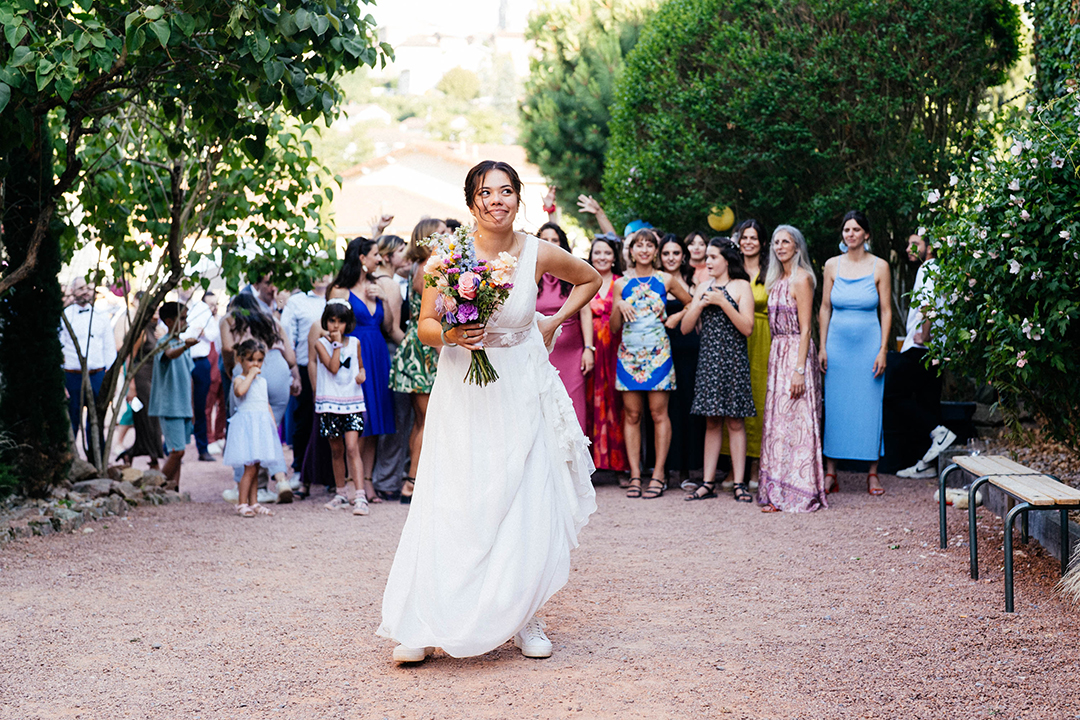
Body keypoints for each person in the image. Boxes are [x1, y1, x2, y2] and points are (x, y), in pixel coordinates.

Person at [379, 160, 601, 663]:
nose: (496, 201)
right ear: (471, 201)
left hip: (521, 385)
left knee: (524, 497)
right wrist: (454, 333)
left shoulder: (537, 251)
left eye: (505, 191)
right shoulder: (448, 255)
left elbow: (589, 279)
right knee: (454, 496)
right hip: (464, 386)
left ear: (518, 198)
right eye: (485, 192)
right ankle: (424, 620)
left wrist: (553, 322)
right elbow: (426, 326)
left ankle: (524, 617)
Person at [611, 229, 693, 499]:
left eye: (649, 245)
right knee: (632, 416)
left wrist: (676, 317)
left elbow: (691, 303)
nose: (644, 250)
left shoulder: (665, 279)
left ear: (655, 251)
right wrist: (618, 305)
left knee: (659, 414)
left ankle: (658, 474)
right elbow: (614, 328)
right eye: (639, 245)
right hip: (629, 355)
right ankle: (636, 475)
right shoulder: (620, 284)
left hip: (658, 354)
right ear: (631, 251)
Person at [819, 210, 892, 495]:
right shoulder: (831, 265)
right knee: (835, 407)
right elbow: (825, 308)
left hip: (868, 347)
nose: (850, 234)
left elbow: (886, 311)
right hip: (837, 347)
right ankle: (831, 472)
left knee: (870, 407)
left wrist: (883, 349)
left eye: (856, 229)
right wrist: (822, 346)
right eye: (846, 229)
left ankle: (872, 473)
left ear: (866, 234)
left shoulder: (880, 266)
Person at [680, 239, 757, 502]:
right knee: (711, 422)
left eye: (713, 257)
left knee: (735, 421)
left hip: (734, 362)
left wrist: (723, 302)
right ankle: (708, 482)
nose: (708, 262)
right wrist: (699, 304)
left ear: (727, 259)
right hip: (709, 363)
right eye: (707, 257)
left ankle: (739, 483)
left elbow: (747, 328)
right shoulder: (702, 286)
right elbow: (686, 328)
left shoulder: (742, 286)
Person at [758, 226, 827, 513]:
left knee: (797, 422)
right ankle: (776, 490)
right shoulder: (776, 280)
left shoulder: (802, 278)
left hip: (796, 352)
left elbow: (806, 328)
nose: (780, 246)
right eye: (776, 242)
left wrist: (799, 369)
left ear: (797, 247)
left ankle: (800, 490)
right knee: (778, 424)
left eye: (786, 241)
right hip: (778, 353)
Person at [328, 237, 400, 504]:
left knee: (375, 419)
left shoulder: (375, 286)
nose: (379, 259)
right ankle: (351, 481)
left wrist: (384, 300)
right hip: (355, 356)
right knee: (359, 418)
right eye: (375, 254)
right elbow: (332, 329)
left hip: (378, 353)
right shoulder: (340, 291)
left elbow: (388, 326)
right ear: (361, 258)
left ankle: (367, 481)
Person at [220, 293, 300, 502]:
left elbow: (227, 347)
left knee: (244, 430)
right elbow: (291, 358)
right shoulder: (271, 320)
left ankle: (245, 489)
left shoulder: (229, 319)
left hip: (247, 370)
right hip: (278, 370)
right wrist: (295, 377)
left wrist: (230, 367)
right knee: (269, 431)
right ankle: (279, 481)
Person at [389, 219, 445, 504]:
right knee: (428, 421)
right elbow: (435, 313)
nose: (448, 236)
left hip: (415, 347)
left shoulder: (417, 267)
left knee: (421, 420)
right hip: (425, 350)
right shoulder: (427, 269)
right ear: (429, 237)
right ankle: (412, 483)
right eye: (442, 233)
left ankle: (413, 480)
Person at [890, 233, 955, 478]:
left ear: (929, 248)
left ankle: (939, 432)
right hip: (938, 349)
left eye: (914, 244)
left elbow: (928, 304)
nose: (909, 248)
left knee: (894, 394)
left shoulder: (927, 267)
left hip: (922, 348)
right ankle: (927, 465)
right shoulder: (943, 269)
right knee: (929, 402)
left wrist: (925, 335)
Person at [721, 219, 771, 489]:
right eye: (744, 237)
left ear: (762, 242)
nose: (748, 242)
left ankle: (756, 465)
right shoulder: (731, 268)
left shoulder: (771, 271)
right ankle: (733, 466)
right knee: (733, 400)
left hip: (763, 338)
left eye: (753, 238)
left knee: (760, 399)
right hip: (733, 340)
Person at [313, 300, 370, 515]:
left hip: (352, 402)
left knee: (353, 448)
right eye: (332, 320)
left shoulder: (355, 342)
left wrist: (362, 374)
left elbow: (361, 366)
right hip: (330, 404)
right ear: (325, 321)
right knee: (336, 450)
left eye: (340, 321)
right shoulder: (320, 344)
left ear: (348, 323)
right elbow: (333, 367)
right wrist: (336, 345)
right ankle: (341, 494)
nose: (336, 326)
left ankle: (360, 496)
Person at [537, 221, 594, 432]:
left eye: (555, 240)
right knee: (545, 408)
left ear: (562, 244)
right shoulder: (531, 274)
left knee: (574, 407)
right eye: (544, 240)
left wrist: (588, 348)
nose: (550, 244)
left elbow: (585, 313)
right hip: (541, 352)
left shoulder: (573, 271)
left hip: (573, 352)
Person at [658, 234, 704, 489]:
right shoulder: (654, 280)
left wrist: (680, 315)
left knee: (687, 407)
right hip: (658, 350)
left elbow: (698, 308)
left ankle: (688, 468)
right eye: (666, 253)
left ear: (683, 256)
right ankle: (663, 469)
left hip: (689, 350)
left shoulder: (694, 281)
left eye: (676, 253)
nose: (671, 258)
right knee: (664, 410)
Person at [223, 339, 286, 517]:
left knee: (256, 468)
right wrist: (250, 375)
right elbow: (240, 392)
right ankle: (242, 503)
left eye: (259, 360)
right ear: (240, 360)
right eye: (250, 360)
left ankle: (254, 502)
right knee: (249, 468)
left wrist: (272, 426)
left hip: (260, 428)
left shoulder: (262, 382)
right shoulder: (239, 379)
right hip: (247, 428)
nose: (255, 364)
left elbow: (266, 404)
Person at [280, 274, 330, 496]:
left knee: (330, 422)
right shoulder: (297, 301)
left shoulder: (336, 296)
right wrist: (294, 374)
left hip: (335, 369)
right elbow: (287, 336)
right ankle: (300, 469)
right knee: (304, 420)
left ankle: (328, 475)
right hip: (304, 365)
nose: (322, 275)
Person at [586, 233, 630, 476]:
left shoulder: (622, 282)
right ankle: (593, 465)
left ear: (614, 257)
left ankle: (621, 465)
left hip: (618, 346)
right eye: (597, 252)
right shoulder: (584, 279)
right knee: (590, 401)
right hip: (591, 347)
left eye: (607, 252)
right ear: (591, 256)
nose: (602, 257)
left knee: (619, 403)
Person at [60, 277, 118, 454]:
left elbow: (109, 348)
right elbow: (59, 348)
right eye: (80, 288)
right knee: (72, 419)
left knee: (96, 420)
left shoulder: (101, 316)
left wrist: (110, 378)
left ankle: (96, 459)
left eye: (88, 288)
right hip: (72, 375)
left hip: (97, 375)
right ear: (72, 291)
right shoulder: (65, 316)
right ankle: (71, 458)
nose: (85, 291)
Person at [148, 302, 199, 491]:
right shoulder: (164, 342)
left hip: (183, 405)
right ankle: (157, 486)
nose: (186, 322)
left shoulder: (182, 343)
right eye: (182, 318)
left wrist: (192, 407)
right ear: (169, 321)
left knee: (178, 451)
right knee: (177, 451)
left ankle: (173, 488)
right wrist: (185, 346)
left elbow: (189, 377)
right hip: (170, 405)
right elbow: (169, 354)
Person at [115, 298, 163, 470]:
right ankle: (153, 459)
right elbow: (130, 358)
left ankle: (134, 453)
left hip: (154, 379)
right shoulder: (141, 331)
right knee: (146, 419)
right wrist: (131, 386)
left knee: (152, 420)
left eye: (158, 309)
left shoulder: (158, 330)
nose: (156, 312)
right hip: (141, 381)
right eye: (153, 309)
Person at [178, 286, 219, 462]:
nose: (186, 288)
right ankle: (175, 448)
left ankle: (202, 448)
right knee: (180, 405)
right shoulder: (174, 306)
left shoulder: (202, 308)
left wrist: (203, 333)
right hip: (180, 359)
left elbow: (214, 333)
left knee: (201, 406)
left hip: (200, 361)